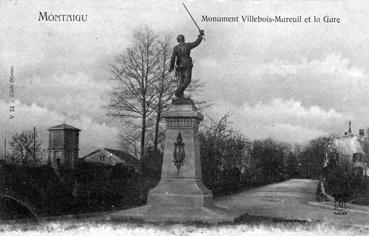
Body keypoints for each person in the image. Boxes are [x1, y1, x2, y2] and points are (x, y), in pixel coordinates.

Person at [169, 30, 205, 98]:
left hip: (179, 66)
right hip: (187, 65)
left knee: (181, 82)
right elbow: (196, 43)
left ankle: (180, 95)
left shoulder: (176, 48)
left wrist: (171, 67)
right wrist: (200, 36)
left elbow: (173, 58)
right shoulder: (187, 45)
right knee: (187, 81)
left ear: (177, 40)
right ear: (184, 39)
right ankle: (178, 92)